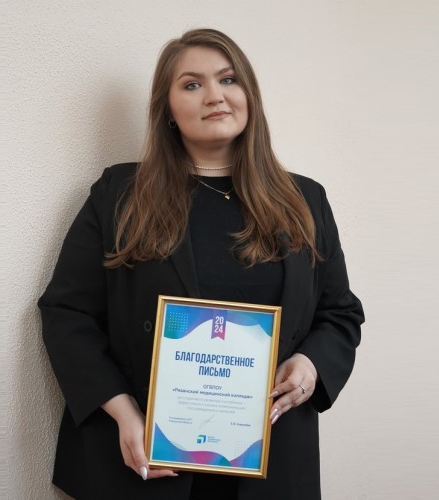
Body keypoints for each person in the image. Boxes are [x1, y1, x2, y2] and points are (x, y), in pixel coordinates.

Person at [38, 28, 364, 500]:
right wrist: (123, 413)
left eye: (228, 79)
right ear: (167, 110)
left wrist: (311, 365)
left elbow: (340, 313)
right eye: (191, 84)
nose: (214, 95)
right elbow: (67, 313)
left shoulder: (305, 200)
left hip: (270, 465)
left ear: (249, 95)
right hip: (145, 459)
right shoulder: (119, 195)